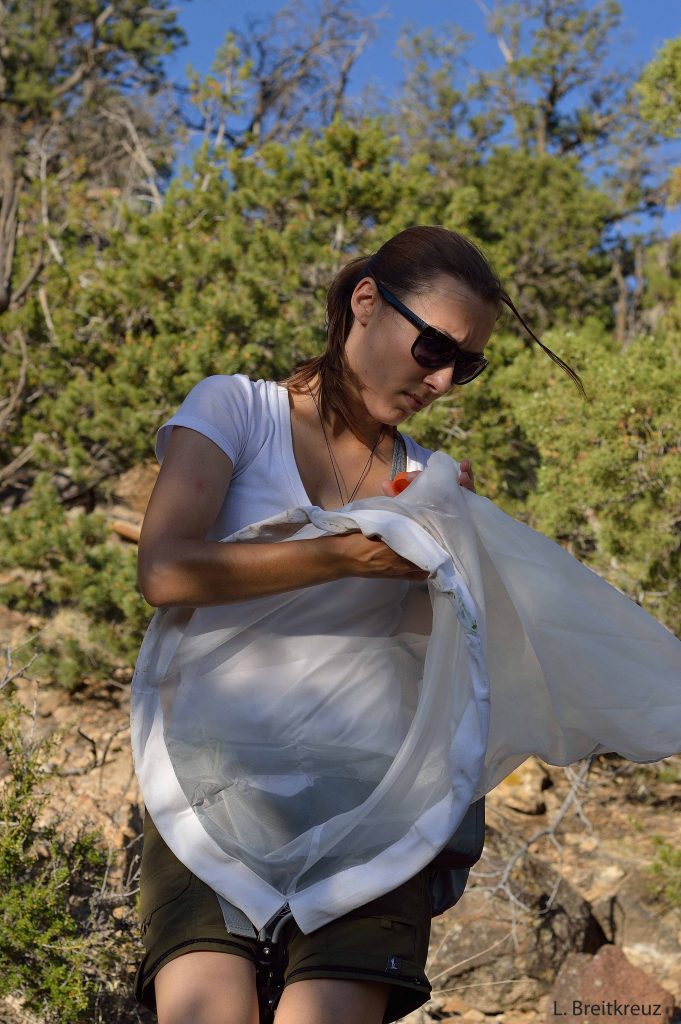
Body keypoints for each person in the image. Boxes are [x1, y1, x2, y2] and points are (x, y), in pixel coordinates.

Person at [133, 225, 581, 1024]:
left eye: (465, 363)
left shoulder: (421, 479)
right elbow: (164, 572)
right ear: (365, 305)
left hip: (372, 805)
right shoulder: (237, 409)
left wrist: (448, 550)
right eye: (433, 347)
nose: (442, 380)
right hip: (207, 781)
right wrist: (347, 555)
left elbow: (423, 661)